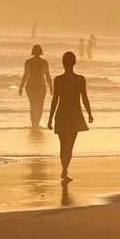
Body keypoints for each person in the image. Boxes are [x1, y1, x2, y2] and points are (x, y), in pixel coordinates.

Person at [47, 52, 93, 182]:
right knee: (69, 145)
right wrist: (89, 113)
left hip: (61, 114)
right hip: (74, 115)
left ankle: (64, 170)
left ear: (63, 63)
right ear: (74, 63)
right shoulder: (80, 79)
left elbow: (55, 100)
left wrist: (50, 118)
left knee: (63, 145)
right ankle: (64, 171)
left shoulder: (58, 80)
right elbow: (84, 98)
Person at [18, 44, 53, 128]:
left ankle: (34, 124)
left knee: (32, 106)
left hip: (30, 86)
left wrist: (21, 87)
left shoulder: (28, 62)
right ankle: (36, 124)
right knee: (40, 106)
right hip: (41, 87)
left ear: (33, 51)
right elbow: (47, 75)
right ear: (41, 52)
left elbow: (26, 75)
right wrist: (51, 87)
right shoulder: (44, 62)